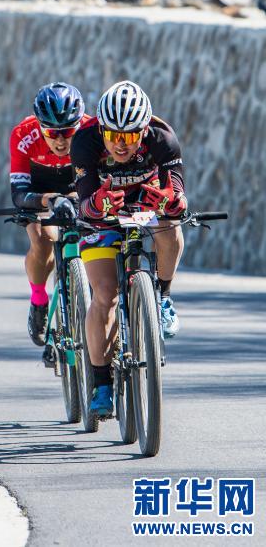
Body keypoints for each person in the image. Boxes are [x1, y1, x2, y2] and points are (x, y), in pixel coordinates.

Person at [70, 80, 187, 417]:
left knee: (171, 228)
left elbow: (179, 197)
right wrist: (98, 203)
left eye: (131, 135)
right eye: (114, 135)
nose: (121, 144)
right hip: (102, 210)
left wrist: (170, 201)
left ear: (144, 130)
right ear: (102, 130)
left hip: (146, 204)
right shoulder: (85, 141)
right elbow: (85, 204)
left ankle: (162, 298)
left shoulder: (162, 138)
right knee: (105, 294)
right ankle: (102, 383)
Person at [8, 82, 89, 352]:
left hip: (78, 183)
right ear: (40, 127)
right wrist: (50, 199)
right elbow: (19, 194)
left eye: (68, 132)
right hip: (40, 189)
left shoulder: (92, 132)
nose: (60, 141)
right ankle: (39, 300)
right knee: (43, 240)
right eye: (52, 133)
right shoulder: (23, 136)